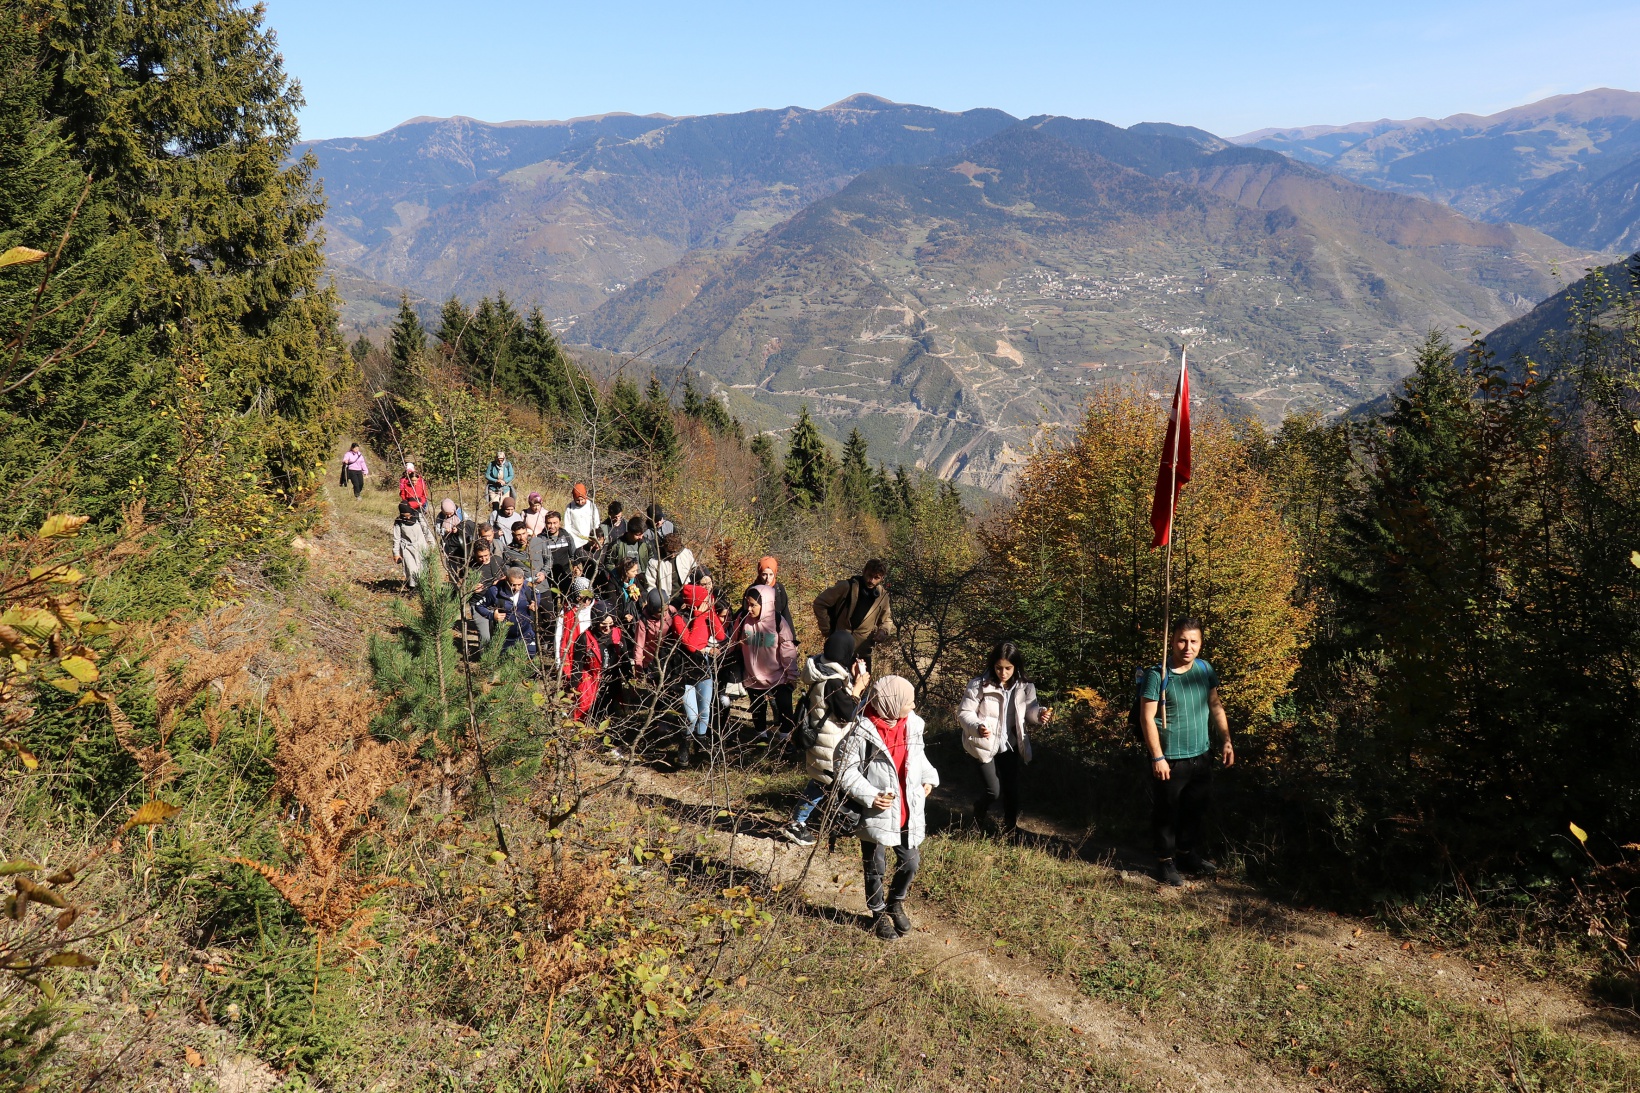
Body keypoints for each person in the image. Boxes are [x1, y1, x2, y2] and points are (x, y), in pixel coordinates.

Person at [834, 676, 940, 941]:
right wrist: (870, 796)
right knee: (875, 865)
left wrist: (929, 777)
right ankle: (878, 912)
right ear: (891, 703)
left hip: (907, 807)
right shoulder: (862, 730)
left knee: (911, 861)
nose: (914, 705)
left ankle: (895, 902)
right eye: (908, 701)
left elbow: (919, 757)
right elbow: (844, 769)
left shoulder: (913, 724)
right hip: (875, 812)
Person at [1139, 618, 1234, 887]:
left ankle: (1186, 854)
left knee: (1195, 808)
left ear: (1201, 643)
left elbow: (1215, 705)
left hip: (1201, 754)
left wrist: (1226, 740)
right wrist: (1157, 757)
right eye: (1182, 640)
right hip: (1171, 758)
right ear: (1172, 641)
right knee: (1167, 812)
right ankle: (1165, 861)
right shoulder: (1158, 675)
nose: (1187, 647)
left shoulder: (1204, 669)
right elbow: (1147, 718)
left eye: (1193, 641)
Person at [781, 630, 871, 847]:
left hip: (826, 738)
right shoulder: (832, 681)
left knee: (823, 783)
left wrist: (852, 677)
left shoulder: (824, 668)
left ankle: (826, 822)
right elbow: (848, 712)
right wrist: (859, 687)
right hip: (829, 742)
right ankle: (798, 823)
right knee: (823, 784)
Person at [957, 642, 1052, 835]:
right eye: (999, 668)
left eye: (1008, 668)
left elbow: (1030, 711)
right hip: (983, 742)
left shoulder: (1025, 687)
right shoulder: (979, 685)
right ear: (992, 665)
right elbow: (964, 713)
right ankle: (978, 818)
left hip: (1010, 742)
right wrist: (977, 727)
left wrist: (1040, 714)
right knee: (993, 790)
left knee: (1011, 788)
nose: (1003, 673)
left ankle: (1010, 830)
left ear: (1016, 666)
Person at [729, 585, 799, 745]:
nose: (749, 608)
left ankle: (785, 741)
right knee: (758, 709)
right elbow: (733, 644)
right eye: (748, 603)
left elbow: (788, 649)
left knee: (785, 709)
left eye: (754, 605)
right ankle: (761, 737)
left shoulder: (778, 621)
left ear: (766, 604)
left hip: (779, 676)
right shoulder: (742, 619)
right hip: (752, 675)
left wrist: (792, 674)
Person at [667, 583, 725, 768]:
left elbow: (721, 635)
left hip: (703, 669)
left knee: (705, 711)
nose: (709, 603)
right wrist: (701, 616)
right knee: (691, 715)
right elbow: (691, 645)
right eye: (706, 600)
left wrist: (711, 614)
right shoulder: (679, 618)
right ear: (697, 602)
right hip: (684, 672)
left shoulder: (706, 615)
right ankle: (684, 745)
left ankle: (701, 745)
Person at [813, 559, 896, 667]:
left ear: (882, 578)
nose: (871, 580)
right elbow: (820, 603)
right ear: (864, 571)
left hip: (862, 652)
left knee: (862, 683)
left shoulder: (882, 596)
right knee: (835, 682)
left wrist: (883, 631)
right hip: (838, 647)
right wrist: (827, 630)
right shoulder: (846, 587)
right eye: (869, 575)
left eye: (876, 578)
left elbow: (887, 619)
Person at [568, 604, 625, 722]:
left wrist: (629, 678)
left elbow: (625, 659)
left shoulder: (617, 634)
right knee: (588, 713)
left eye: (610, 624)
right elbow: (577, 665)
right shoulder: (584, 638)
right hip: (591, 681)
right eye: (603, 625)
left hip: (612, 680)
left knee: (611, 713)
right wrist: (572, 688)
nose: (607, 628)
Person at [477, 567, 541, 657]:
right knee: (504, 666)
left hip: (526, 634)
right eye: (513, 585)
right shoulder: (494, 591)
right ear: (506, 579)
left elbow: (537, 594)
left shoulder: (528, 587)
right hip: (503, 637)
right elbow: (479, 606)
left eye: (520, 584)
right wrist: (492, 615)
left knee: (529, 663)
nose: (516, 588)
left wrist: (535, 603)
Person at [465, 540, 509, 647]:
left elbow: (507, 577)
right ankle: (485, 660)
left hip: (497, 604)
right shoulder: (470, 566)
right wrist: (471, 588)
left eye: (486, 555)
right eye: (480, 557)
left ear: (490, 551)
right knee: (485, 637)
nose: (484, 559)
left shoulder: (498, 561)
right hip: (478, 603)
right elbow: (460, 584)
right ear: (475, 554)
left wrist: (501, 581)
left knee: (499, 635)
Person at [748, 556, 796, 637]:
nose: (768, 579)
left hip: (777, 632)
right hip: (756, 634)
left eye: (771, 574)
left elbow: (785, 612)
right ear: (759, 573)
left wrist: (792, 638)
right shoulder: (752, 590)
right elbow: (746, 613)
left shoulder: (779, 588)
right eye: (764, 574)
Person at [391, 502, 431, 591]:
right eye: (405, 516)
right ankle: (413, 588)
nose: (407, 518)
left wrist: (432, 545)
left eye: (408, 515)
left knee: (422, 568)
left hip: (421, 546)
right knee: (411, 568)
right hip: (407, 548)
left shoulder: (419, 518)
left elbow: (427, 532)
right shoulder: (399, 522)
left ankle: (424, 588)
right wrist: (396, 553)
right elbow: (396, 539)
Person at [646, 532, 695, 605]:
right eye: (670, 552)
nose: (672, 555)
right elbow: (651, 585)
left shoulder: (686, 554)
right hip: (666, 600)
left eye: (675, 552)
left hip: (686, 598)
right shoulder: (654, 562)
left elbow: (695, 572)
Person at [602, 514, 648, 592]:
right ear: (630, 532)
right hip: (622, 583)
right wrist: (620, 575)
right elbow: (608, 563)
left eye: (642, 534)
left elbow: (652, 560)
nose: (641, 537)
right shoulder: (616, 545)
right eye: (638, 535)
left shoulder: (646, 543)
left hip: (642, 581)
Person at [563, 483, 601, 550]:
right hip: (575, 541)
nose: (580, 502)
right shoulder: (570, 507)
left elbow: (596, 523)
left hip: (589, 540)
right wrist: (569, 539)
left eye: (582, 499)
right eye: (577, 500)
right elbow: (567, 526)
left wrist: (594, 538)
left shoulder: (591, 506)